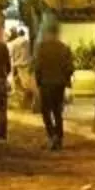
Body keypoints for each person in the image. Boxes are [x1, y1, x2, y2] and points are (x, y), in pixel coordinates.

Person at [32, 20, 76, 150]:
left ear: (47, 33)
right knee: (57, 111)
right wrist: (65, 79)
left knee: (46, 111)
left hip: (46, 83)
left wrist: (38, 82)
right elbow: (70, 68)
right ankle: (59, 137)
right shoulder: (64, 48)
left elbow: (38, 67)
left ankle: (52, 135)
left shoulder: (41, 48)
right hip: (59, 84)